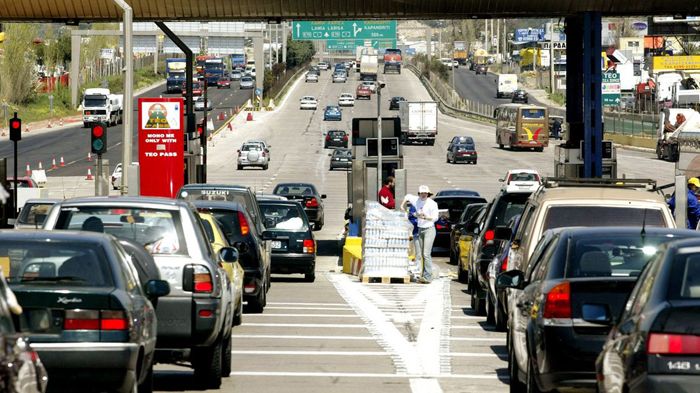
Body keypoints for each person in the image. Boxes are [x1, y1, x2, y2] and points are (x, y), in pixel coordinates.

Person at [414, 185, 439, 283]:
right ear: (419, 193)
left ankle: (428, 277)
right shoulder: (417, 201)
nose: (423, 195)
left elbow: (435, 218)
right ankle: (424, 275)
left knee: (426, 253)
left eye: (425, 193)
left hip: (429, 229)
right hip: (420, 229)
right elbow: (416, 212)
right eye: (421, 193)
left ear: (428, 193)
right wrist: (416, 215)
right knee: (421, 254)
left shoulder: (433, 203)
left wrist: (426, 217)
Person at [400, 194, 420, 273]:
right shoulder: (415, 200)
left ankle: (417, 264)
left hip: (418, 228)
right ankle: (412, 262)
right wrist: (402, 206)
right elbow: (407, 196)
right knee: (412, 247)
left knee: (417, 249)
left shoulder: (426, 203)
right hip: (412, 228)